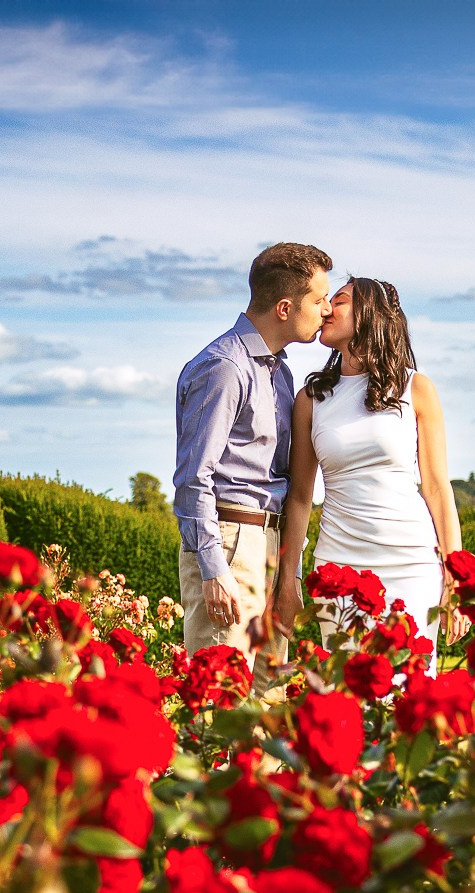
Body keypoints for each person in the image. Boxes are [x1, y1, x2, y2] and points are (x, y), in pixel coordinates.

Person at [275, 277, 462, 648]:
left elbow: (438, 488)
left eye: (339, 301)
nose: (326, 309)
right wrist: (288, 580)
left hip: (412, 564)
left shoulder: (416, 388)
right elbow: (299, 497)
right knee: (347, 693)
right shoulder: (311, 399)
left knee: (409, 691)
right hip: (338, 567)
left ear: (368, 315)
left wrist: (457, 580)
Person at [173, 242, 334, 669]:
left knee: (268, 697)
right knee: (222, 700)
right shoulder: (224, 367)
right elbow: (193, 477)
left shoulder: (280, 372)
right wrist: (213, 569)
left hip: (268, 543)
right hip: (229, 542)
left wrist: (286, 572)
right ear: (285, 307)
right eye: (318, 300)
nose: (327, 310)